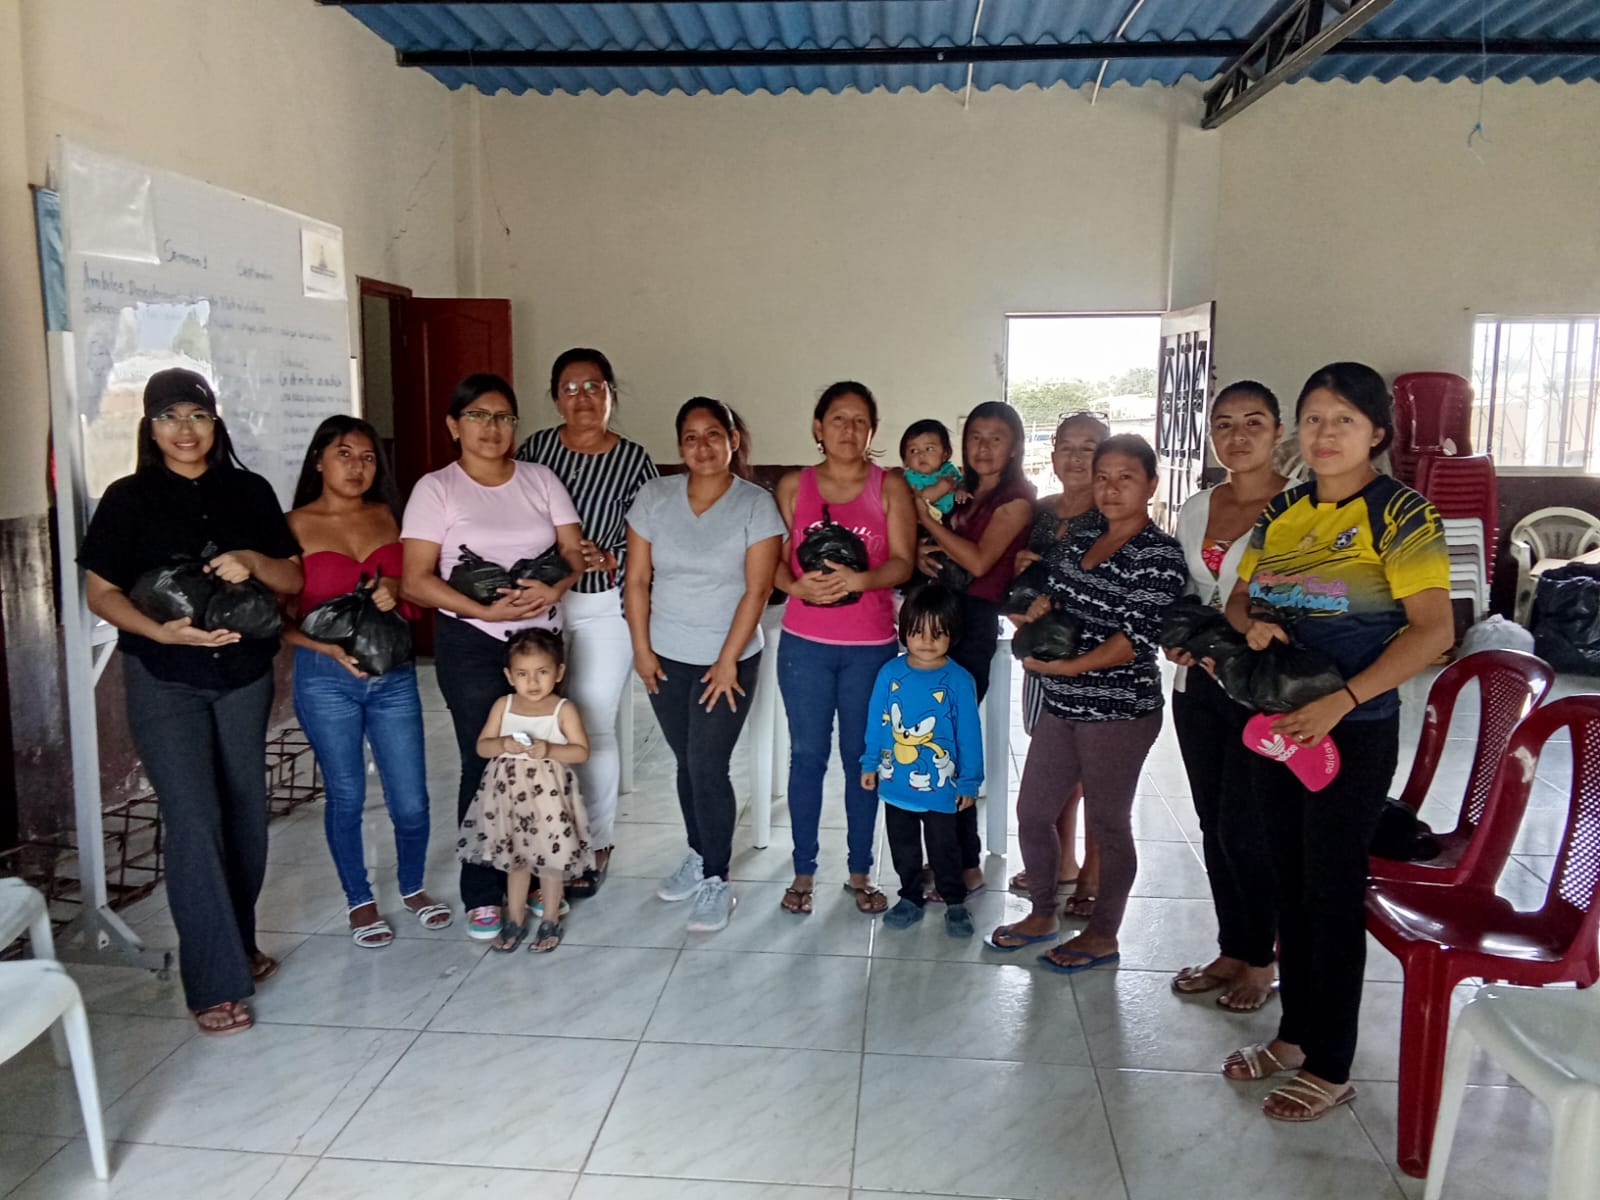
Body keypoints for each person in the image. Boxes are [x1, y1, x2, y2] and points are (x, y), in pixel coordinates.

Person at [1220, 363, 1452, 1122]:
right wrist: (1253, 622)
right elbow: (1239, 597)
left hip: (1353, 730)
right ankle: (1295, 1035)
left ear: (1376, 433)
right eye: (1314, 418)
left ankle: (1331, 1063)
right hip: (1279, 726)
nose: (1325, 434)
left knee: (1330, 890)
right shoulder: (1283, 511)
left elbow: (1433, 632)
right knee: (1285, 877)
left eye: (1344, 419)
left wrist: (1343, 701)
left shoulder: (1402, 515)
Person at [80, 368, 303, 1035]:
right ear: (150, 428)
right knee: (194, 818)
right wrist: (159, 631)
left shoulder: (249, 491)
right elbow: (101, 593)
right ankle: (213, 983)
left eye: (197, 416)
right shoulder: (127, 499)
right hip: (163, 676)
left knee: (244, 814)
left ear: (215, 422)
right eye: (169, 417)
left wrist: (252, 561)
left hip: (243, 674)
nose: (185, 430)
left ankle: (237, 942)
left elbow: (292, 578)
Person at [988, 434, 1186, 974]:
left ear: (1151, 484)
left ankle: (1103, 933)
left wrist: (1066, 668)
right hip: (1061, 703)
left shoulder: (1159, 554)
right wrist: (1036, 609)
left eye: (1126, 477)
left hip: (1119, 711)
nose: (1111, 488)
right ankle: (1042, 914)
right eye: (1103, 478)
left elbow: (1134, 639)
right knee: (1034, 812)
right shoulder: (1080, 539)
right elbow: (1050, 598)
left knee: (1108, 822)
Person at [401, 372, 586, 943]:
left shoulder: (540, 478)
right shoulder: (437, 489)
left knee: (544, 762)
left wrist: (554, 589)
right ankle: (483, 890)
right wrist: (483, 611)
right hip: (472, 644)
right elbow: (415, 580)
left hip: (541, 648)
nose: (491, 428)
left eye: (503, 417)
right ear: (454, 425)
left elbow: (573, 553)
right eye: (477, 416)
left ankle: (536, 880)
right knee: (486, 760)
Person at [285, 416, 449, 948]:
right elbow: (274, 619)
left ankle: (413, 887)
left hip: (393, 673)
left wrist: (397, 586)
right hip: (325, 678)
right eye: (344, 454)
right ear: (318, 460)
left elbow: (421, 584)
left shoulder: (391, 517)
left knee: (411, 798)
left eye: (368, 457)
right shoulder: (292, 525)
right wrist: (324, 648)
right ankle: (359, 899)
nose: (357, 467)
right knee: (347, 794)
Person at [624, 397, 785, 932]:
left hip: (729, 660)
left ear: (732, 440)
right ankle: (698, 854)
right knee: (686, 763)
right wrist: (641, 649)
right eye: (691, 437)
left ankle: (717, 876)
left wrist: (727, 661)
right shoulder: (654, 497)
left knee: (708, 765)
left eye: (713, 434)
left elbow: (758, 590)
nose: (703, 446)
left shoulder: (755, 504)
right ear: (680, 446)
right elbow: (637, 580)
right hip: (666, 655)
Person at [515, 349, 657, 894]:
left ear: (611, 395)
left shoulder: (634, 459)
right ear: (555, 397)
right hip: (539, 605)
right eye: (571, 388)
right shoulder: (536, 450)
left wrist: (612, 555)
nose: (583, 398)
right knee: (539, 719)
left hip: (604, 605)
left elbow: (651, 533)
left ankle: (596, 841)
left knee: (592, 723)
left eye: (594, 386)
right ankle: (546, 836)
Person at [1166, 383, 1288, 1011]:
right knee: (1213, 821)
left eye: (1253, 423)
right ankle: (1232, 946)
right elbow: (1187, 591)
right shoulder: (1197, 507)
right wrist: (1178, 638)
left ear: (1278, 433)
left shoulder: (1298, 508)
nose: (1237, 437)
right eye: (1224, 424)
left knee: (1250, 826)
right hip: (1198, 685)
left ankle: (1263, 960)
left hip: (1260, 688)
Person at [774, 381, 917, 915]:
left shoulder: (889, 486)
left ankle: (860, 870)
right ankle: (803, 871)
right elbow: (771, 561)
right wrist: (795, 586)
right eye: (838, 419)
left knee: (863, 759)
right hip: (804, 645)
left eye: (860, 421)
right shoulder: (794, 486)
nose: (849, 430)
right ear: (818, 427)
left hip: (869, 647)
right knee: (807, 757)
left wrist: (861, 580)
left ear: (872, 431)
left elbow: (902, 561)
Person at [913, 400, 1036, 897]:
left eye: (995, 438)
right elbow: (946, 552)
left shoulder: (1017, 498)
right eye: (975, 437)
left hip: (972, 625)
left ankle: (966, 865)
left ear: (1014, 447)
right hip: (938, 617)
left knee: (951, 743)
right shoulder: (961, 491)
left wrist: (927, 523)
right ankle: (950, 858)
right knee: (934, 741)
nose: (983, 448)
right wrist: (922, 550)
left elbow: (981, 562)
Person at [1008, 411, 1109, 912]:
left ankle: (1092, 873)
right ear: (1052, 455)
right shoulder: (1040, 512)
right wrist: (1022, 584)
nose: (1075, 457)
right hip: (1042, 658)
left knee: (1094, 771)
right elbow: (1017, 589)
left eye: (1088, 448)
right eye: (1066, 446)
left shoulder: (1115, 516)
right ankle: (1061, 860)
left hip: (1095, 663)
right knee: (1054, 767)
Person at [860, 584, 983, 938]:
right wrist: (869, 762)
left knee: (945, 848)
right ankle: (910, 896)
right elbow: (877, 721)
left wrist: (969, 781)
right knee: (903, 846)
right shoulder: (890, 674)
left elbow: (969, 735)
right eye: (917, 632)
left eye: (938, 633)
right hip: (895, 782)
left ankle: (955, 902)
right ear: (904, 631)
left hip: (942, 789)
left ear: (952, 633)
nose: (927, 642)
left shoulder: (959, 681)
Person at [459, 629, 591, 954]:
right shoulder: (503, 706)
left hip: (549, 799)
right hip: (509, 798)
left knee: (550, 861)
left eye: (542, 672)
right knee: (515, 859)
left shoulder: (563, 709)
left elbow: (581, 751)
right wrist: (502, 744)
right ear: (509, 675)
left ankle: (550, 920)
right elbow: (482, 747)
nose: (532, 682)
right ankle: (515, 920)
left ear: (559, 672)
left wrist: (550, 749)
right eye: (522, 674)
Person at [899, 419, 966, 517]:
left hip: (952, 516)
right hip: (923, 521)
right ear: (905, 460)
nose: (921, 455)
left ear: (945, 453)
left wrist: (961, 490)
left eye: (929, 449)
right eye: (914, 450)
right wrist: (942, 487)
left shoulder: (949, 469)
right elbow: (920, 500)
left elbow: (961, 482)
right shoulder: (909, 477)